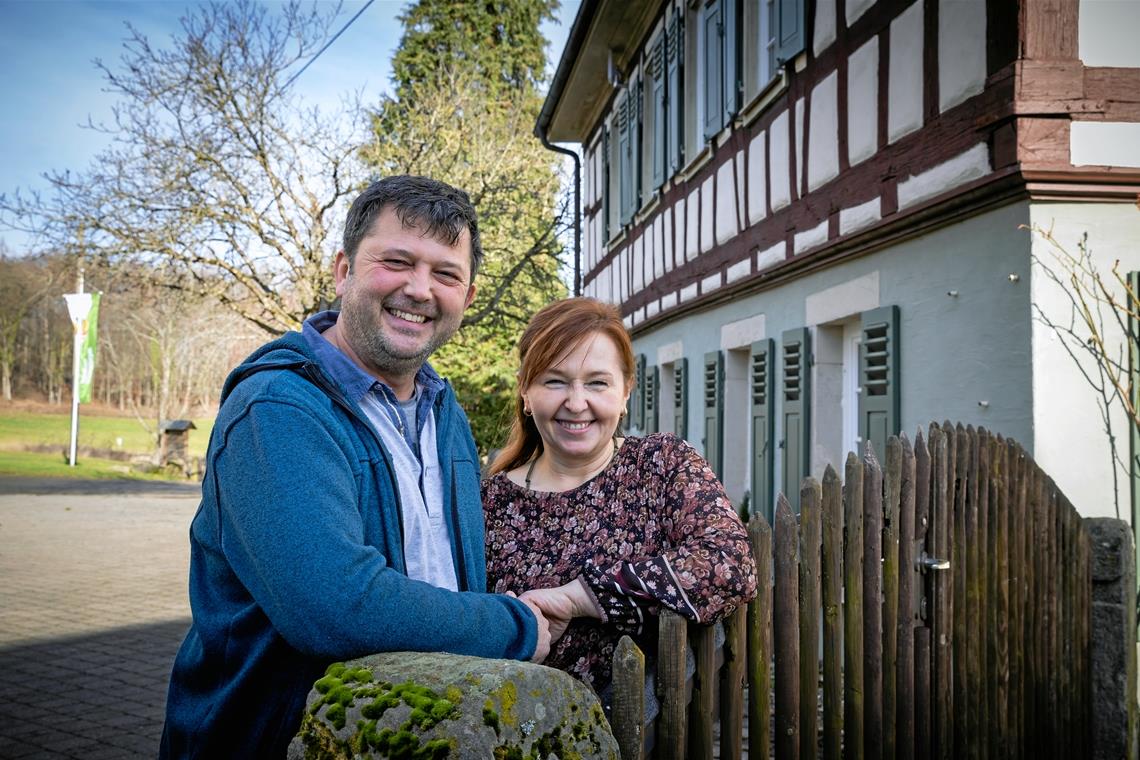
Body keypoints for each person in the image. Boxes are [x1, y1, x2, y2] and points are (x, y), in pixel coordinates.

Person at [161, 176, 550, 758]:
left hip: (409, 733)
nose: (420, 290)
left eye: (446, 274)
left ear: (466, 300)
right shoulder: (278, 410)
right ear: (344, 271)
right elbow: (337, 607)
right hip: (275, 742)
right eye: (397, 262)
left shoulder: (444, 413)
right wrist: (514, 626)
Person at [482, 297, 758, 696]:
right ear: (526, 391)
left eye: (597, 382)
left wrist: (582, 597)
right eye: (554, 381)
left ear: (626, 390)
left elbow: (731, 566)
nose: (576, 403)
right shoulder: (489, 504)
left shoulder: (661, 466)